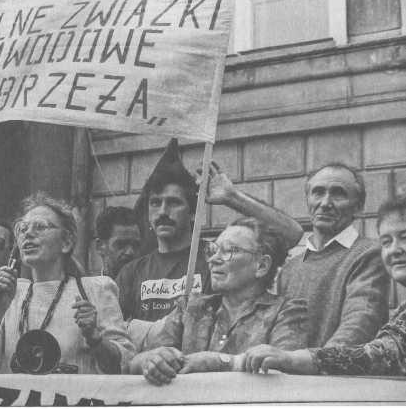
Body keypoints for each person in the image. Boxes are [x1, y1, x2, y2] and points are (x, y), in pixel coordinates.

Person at [116, 139, 304, 322]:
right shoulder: (132, 272)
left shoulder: (218, 258)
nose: (163, 211)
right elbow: (114, 335)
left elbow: (292, 234)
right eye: (156, 203)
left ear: (192, 212)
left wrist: (232, 197)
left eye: (174, 202)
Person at [0, 192, 135, 374]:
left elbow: (124, 364)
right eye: (23, 228)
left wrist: (95, 338)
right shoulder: (8, 292)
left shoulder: (96, 290)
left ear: (66, 242)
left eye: (40, 227)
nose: (28, 233)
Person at [129, 217, 308, 385]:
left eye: (230, 251)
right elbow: (133, 363)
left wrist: (220, 362)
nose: (213, 259)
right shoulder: (191, 308)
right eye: (213, 250)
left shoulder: (286, 312)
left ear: (261, 266)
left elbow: (284, 376)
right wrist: (152, 360)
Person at [243, 195, 406, 376]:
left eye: (404, 237)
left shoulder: (365, 252)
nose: (394, 249)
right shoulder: (292, 267)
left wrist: (293, 360)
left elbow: (380, 353)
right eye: (386, 242)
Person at [279, 163, 389, 347]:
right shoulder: (291, 267)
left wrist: (306, 362)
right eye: (318, 192)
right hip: (288, 373)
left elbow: (359, 325)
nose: (325, 203)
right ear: (308, 201)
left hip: (333, 373)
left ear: (359, 207)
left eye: (338, 193)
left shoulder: (370, 253)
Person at [95, 206, 141, 279]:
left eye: (136, 245)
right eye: (121, 244)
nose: (130, 252)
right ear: (100, 247)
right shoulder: (89, 288)